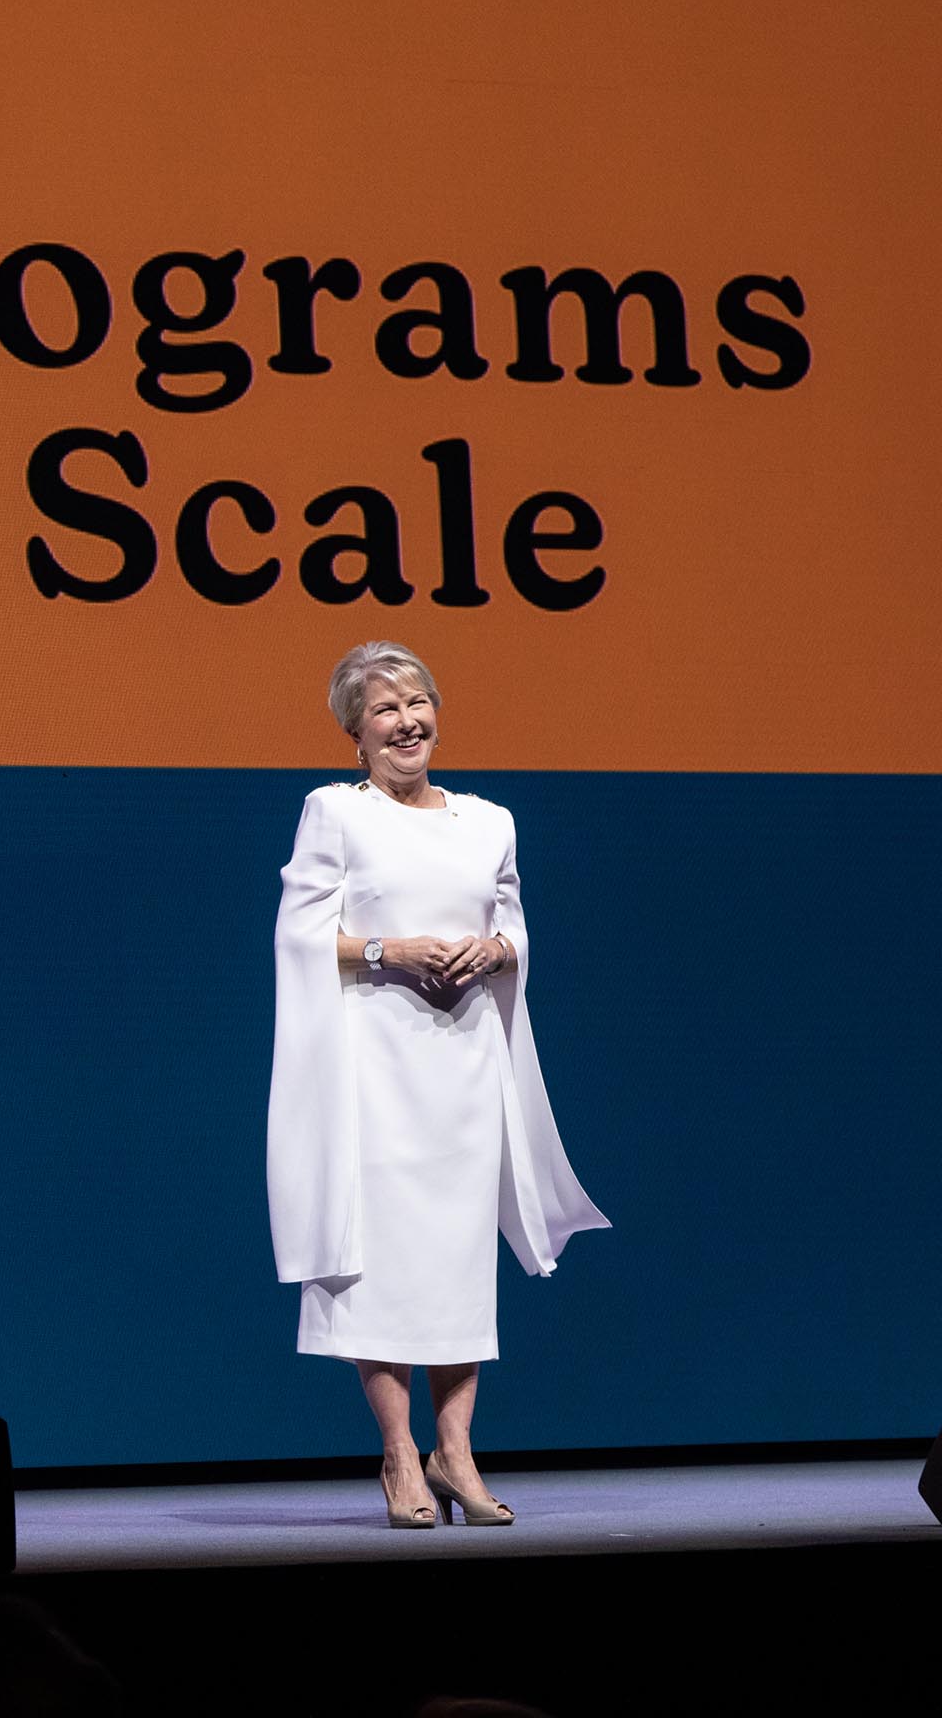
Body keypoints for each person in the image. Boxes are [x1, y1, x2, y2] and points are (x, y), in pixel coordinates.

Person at [266, 641, 609, 1527]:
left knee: (456, 1262)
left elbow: (514, 929)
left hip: (461, 1068)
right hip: (372, 1069)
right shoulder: (335, 814)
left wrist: (496, 950)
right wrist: (393, 950)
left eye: (417, 702)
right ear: (355, 732)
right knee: (380, 1263)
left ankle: (453, 1454)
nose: (406, 721)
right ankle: (396, 1458)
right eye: (385, 709)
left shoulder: (488, 821)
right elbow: (302, 937)